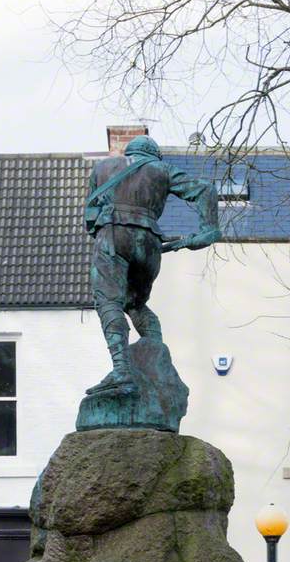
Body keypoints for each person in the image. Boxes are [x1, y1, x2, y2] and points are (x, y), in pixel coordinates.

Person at [84, 135, 220, 395]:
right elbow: (206, 190)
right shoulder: (162, 169)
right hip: (149, 243)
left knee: (109, 301)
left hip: (112, 234)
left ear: (128, 151)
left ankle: (122, 370)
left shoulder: (102, 168)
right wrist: (208, 229)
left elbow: (90, 218)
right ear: (154, 155)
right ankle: (156, 364)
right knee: (135, 303)